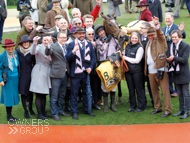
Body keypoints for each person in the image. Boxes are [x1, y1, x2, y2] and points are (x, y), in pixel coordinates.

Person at [66, 26, 96, 120]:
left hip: (85, 73)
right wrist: (73, 52)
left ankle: (87, 110)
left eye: (83, 33)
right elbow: (67, 58)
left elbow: (93, 58)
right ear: (76, 35)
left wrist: (91, 67)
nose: (81, 35)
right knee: (74, 93)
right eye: (79, 33)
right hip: (75, 73)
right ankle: (74, 112)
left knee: (86, 92)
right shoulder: (71, 44)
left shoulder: (89, 44)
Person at [144, 16, 172, 117]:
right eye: (149, 35)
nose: (150, 37)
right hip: (151, 71)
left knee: (165, 91)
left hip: (161, 69)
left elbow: (160, 34)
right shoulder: (148, 43)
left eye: (152, 35)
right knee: (154, 91)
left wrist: (156, 25)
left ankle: (168, 110)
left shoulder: (160, 40)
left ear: (155, 34)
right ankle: (158, 107)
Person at [94, 24, 120, 113]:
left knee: (114, 83)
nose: (101, 33)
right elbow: (101, 52)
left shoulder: (113, 40)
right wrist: (105, 43)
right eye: (99, 32)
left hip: (113, 64)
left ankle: (112, 104)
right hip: (104, 65)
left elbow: (119, 49)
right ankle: (105, 105)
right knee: (104, 84)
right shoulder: (97, 42)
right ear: (98, 34)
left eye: (102, 31)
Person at [45, 31, 70, 121]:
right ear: (58, 38)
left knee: (62, 94)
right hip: (56, 74)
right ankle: (54, 114)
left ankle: (60, 110)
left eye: (65, 37)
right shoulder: (53, 46)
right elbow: (48, 52)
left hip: (65, 74)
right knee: (54, 95)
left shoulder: (66, 46)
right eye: (62, 37)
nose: (64, 39)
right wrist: (48, 45)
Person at [161, 12, 186, 97]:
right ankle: (171, 89)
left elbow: (184, 36)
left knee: (175, 71)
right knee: (168, 73)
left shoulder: (176, 27)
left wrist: (181, 31)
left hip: (174, 53)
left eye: (169, 18)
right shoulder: (163, 28)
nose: (167, 20)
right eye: (166, 18)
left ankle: (176, 90)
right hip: (165, 54)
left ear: (172, 19)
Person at [167, 30, 190, 119]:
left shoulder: (186, 46)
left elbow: (184, 60)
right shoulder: (171, 46)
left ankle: (187, 111)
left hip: (184, 73)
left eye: (175, 37)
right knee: (179, 93)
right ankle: (181, 110)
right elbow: (171, 58)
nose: (174, 39)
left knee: (186, 93)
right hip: (176, 72)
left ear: (180, 37)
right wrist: (168, 60)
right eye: (172, 37)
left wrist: (173, 58)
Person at [30, 34, 52, 120]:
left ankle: (43, 112)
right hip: (39, 70)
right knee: (39, 94)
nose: (46, 41)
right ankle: (39, 114)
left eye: (48, 40)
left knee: (44, 93)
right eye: (45, 40)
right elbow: (32, 52)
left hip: (47, 71)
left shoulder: (51, 46)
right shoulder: (38, 47)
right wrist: (34, 43)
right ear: (42, 40)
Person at [122, 32, 146, 112]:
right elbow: (124, 55)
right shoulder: (127, 46)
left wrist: (125, 57)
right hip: (128, 71)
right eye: (133, 38)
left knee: (139, 89)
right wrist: (122, 55)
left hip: (137, 71)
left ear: (138, 39)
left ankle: (141, 106)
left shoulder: (140, 48)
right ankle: (132, 106)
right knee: (131, 89)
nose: (134, 39)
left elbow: (137, 60)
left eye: (136, 38)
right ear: (130, 38)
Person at [16, 35, 36, 119]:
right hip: (21, 75)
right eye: (24, 42)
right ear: (21, 44)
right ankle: (26, 111)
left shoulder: (32, 52)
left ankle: (31, 108)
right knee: (23, 94)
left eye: (27, 42)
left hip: (31, 75)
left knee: (30, 93)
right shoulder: (17, 52)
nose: (26, 44)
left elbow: (35, 63)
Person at [0, 39, 20, 122]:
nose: (10, 48)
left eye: (11, 46)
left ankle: (11, 115)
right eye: (8, 47)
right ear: (5, 47)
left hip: (15, 79)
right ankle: (9, 116)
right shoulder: (2, 56)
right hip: (7, 80)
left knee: (12, 97)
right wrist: (0, 80)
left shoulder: (15, 54)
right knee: (8, 98)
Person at [86, 28, 101, 110]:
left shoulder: (96, 42)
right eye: (89, 34)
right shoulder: (84, 43)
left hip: (96, 69)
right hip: (88, 69)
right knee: (88, 88)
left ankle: (94, 103)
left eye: (92, 34)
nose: (91, 35)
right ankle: (88, 104)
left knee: (95, 87)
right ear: (86, 35)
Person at [139, 21, 153, 106]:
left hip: (148, 66)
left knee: (151, 86)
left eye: (142, 28)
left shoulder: (150, 39)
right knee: (141, 86)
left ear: (147, 29)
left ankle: (154, 102)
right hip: (140, 66)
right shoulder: (138, 37)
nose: (140, 29)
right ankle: (143, 102)